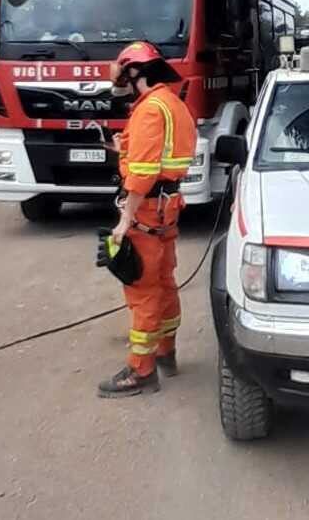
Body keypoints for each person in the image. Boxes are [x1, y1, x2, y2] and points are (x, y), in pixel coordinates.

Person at [98, 41, 198, 398]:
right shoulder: (172, 104)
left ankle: (141, 372)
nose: (119, 81)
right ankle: (165, 353)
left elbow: (141, 173)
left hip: (145, 211)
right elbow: (162, 157)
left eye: (123, 73)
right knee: (164, 282)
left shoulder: (149, 111)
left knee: (142, 290)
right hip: (166, 208)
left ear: (134, 73)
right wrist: (121, 147)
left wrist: (124, 221)